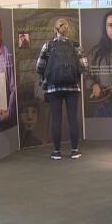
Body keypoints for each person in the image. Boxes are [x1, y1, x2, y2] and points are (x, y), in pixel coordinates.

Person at [36, 18, 88, 160]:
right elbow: (84, 66)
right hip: (72, 87)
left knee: (56, 119)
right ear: (67, 30)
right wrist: (75, 74)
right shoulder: (75, 45)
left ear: (55, 30)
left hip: (53, 88)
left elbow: (39, 66)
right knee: (72, 119)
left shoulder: (48, 46)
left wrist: (43, 80)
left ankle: (57, 152)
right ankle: (75, 150)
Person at [86, 10, 112, 117]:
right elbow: (87, 75)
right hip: (103, 104)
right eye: (110, 25)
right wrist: (93, 85)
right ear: (105, 28)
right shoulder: (95, 52)